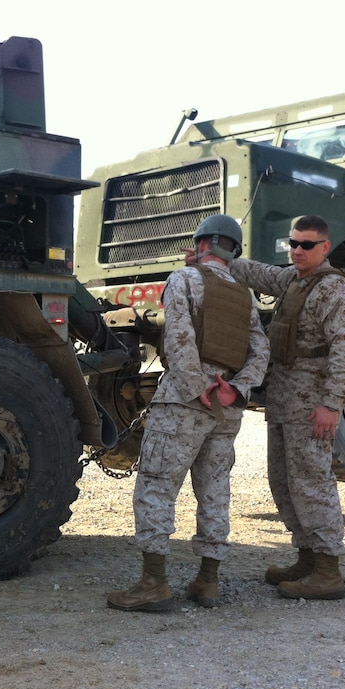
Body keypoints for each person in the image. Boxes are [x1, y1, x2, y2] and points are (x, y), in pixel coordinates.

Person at [106, 214, 269, 612]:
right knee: (215, 489)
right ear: (234, 250)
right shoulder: (245, 294)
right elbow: (260, 350)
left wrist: (198, 388)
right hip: (227, 404)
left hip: (185, 399)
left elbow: (179, 340)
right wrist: (236, 389)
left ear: (200, 243)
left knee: (158, 484)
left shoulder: (183, 278)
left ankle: (154, 583)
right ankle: (208, 582)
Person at [227, 214, 345, 600]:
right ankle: (307, 557)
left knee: (312, 482)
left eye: (307, 245)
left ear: (325, 248)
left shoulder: (334, 289)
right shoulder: (294, 280)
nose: (298, 251)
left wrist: (332, 404)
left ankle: (329, 569)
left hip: (312, 403)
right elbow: (260, 273)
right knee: (284, 482)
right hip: (284, 400)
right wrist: (215, 258)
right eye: (294, 243)